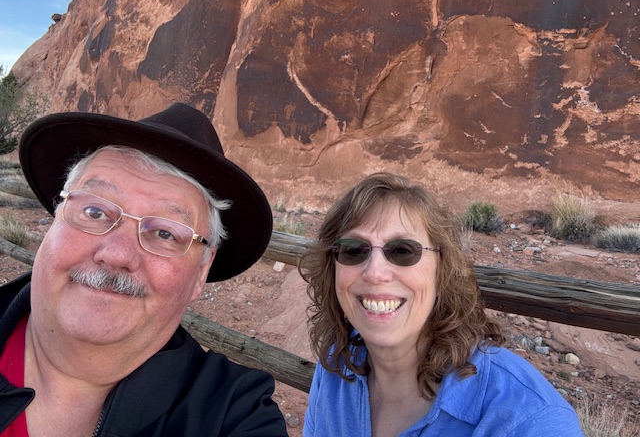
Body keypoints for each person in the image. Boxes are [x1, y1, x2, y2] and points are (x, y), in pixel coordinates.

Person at [0, 103, 288, 436]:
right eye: (95, 212)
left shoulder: (233, 415)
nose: (117, 254)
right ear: (55, 218)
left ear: (201, 271)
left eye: (165, 233)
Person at [300, 172, 584, 436]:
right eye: (353, 250)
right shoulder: (338, 364)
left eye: (402, 251)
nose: (374, 272)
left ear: (441, 270)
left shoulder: (532, 420)